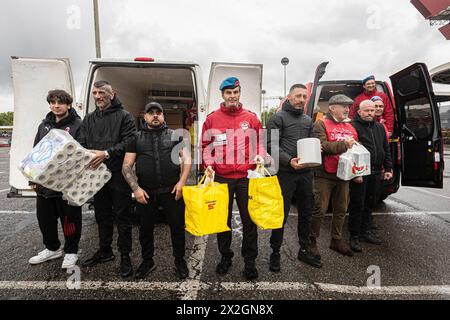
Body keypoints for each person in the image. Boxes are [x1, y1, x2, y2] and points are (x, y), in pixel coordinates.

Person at [201, 76, 268, 280]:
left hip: (246, 178)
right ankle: (225, 257)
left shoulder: (252, 118)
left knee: (249, 221)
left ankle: (250, 261)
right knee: (223, 220)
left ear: (239, 93)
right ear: (222, 95)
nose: (232, 96)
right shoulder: (212, 119)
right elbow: (205, 147)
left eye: (235, 92)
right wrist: (208, 164)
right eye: (228, 93)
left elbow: (261, 143)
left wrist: (261, 156)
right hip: (221, 177)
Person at [122, 102, 191, 279]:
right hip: (146, 192)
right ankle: (147, 261)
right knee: (145, 229)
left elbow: (187, 160)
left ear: (163, 116)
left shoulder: (174, 136)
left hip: (171, 191)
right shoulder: (135, 138)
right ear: (144, 116)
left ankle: (179, 260)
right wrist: (135, 189)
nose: (154, 115)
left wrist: (181, 183)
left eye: (158, 112)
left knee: (177, 227)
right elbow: (126, 167)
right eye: (150, 113)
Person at [78, 80, 137, 278]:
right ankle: (105, 251)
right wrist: (87, 155)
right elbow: (81, 142)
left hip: (119, 175)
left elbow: (129, 141)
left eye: (102, 92)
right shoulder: (89, 119)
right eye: (94, 93)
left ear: (112, 94)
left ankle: (125, 256)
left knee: (123, 217)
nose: (97, 96)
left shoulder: (125, 117)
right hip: (95, 175)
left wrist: (107, 153)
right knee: (101, 216)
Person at [267, 83, 321, 270]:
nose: (301, 100)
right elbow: (271, 146)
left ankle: (304, 249)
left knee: (306, 213)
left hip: (305, 173)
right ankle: (275, 252)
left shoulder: (308, 120)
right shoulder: (277, 118)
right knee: (280, 215)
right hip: (285, 174)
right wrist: (289, 160)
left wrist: (316, 149)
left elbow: (312, 141)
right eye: (298, 96)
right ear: (289, 97)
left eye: (304, 97)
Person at [28, 89, 82, 269]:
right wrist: (32, 179)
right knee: (45, 219)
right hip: (44, 184)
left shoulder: (78, 125)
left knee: (69, 220)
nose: (56, 106)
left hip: (67, 184)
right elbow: (36, 152)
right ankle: (52, 248)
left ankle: (71, 251)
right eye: (52, 102)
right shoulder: (44, 125)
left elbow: (83, 153)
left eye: (60, 102)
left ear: (68, 105)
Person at [310, 94, 358, 260]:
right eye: (343, 106)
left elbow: (355, 151)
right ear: (332, 108)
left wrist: (357, 172)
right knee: (319, 209)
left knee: (341, 209)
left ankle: (336, 240)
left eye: (348, 107)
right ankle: (311, 241)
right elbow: (322, 146)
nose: (347, 109)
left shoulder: (350, 127)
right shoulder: (320, 123)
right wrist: (344, 144)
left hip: (344, 175)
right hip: (325, 174)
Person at [348, 100, 393, 252]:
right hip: (360, 172)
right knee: (357, 204)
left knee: (370, 203)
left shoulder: (380, 127)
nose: (370, 113)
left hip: (376, 172)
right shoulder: (352, 127)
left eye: (372, 111)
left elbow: (385, 148)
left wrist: (388, 168)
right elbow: (350, 151)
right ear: (359, 112)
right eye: (366, 111)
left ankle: (365, 231)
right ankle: (354, 235)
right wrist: (355, 173)